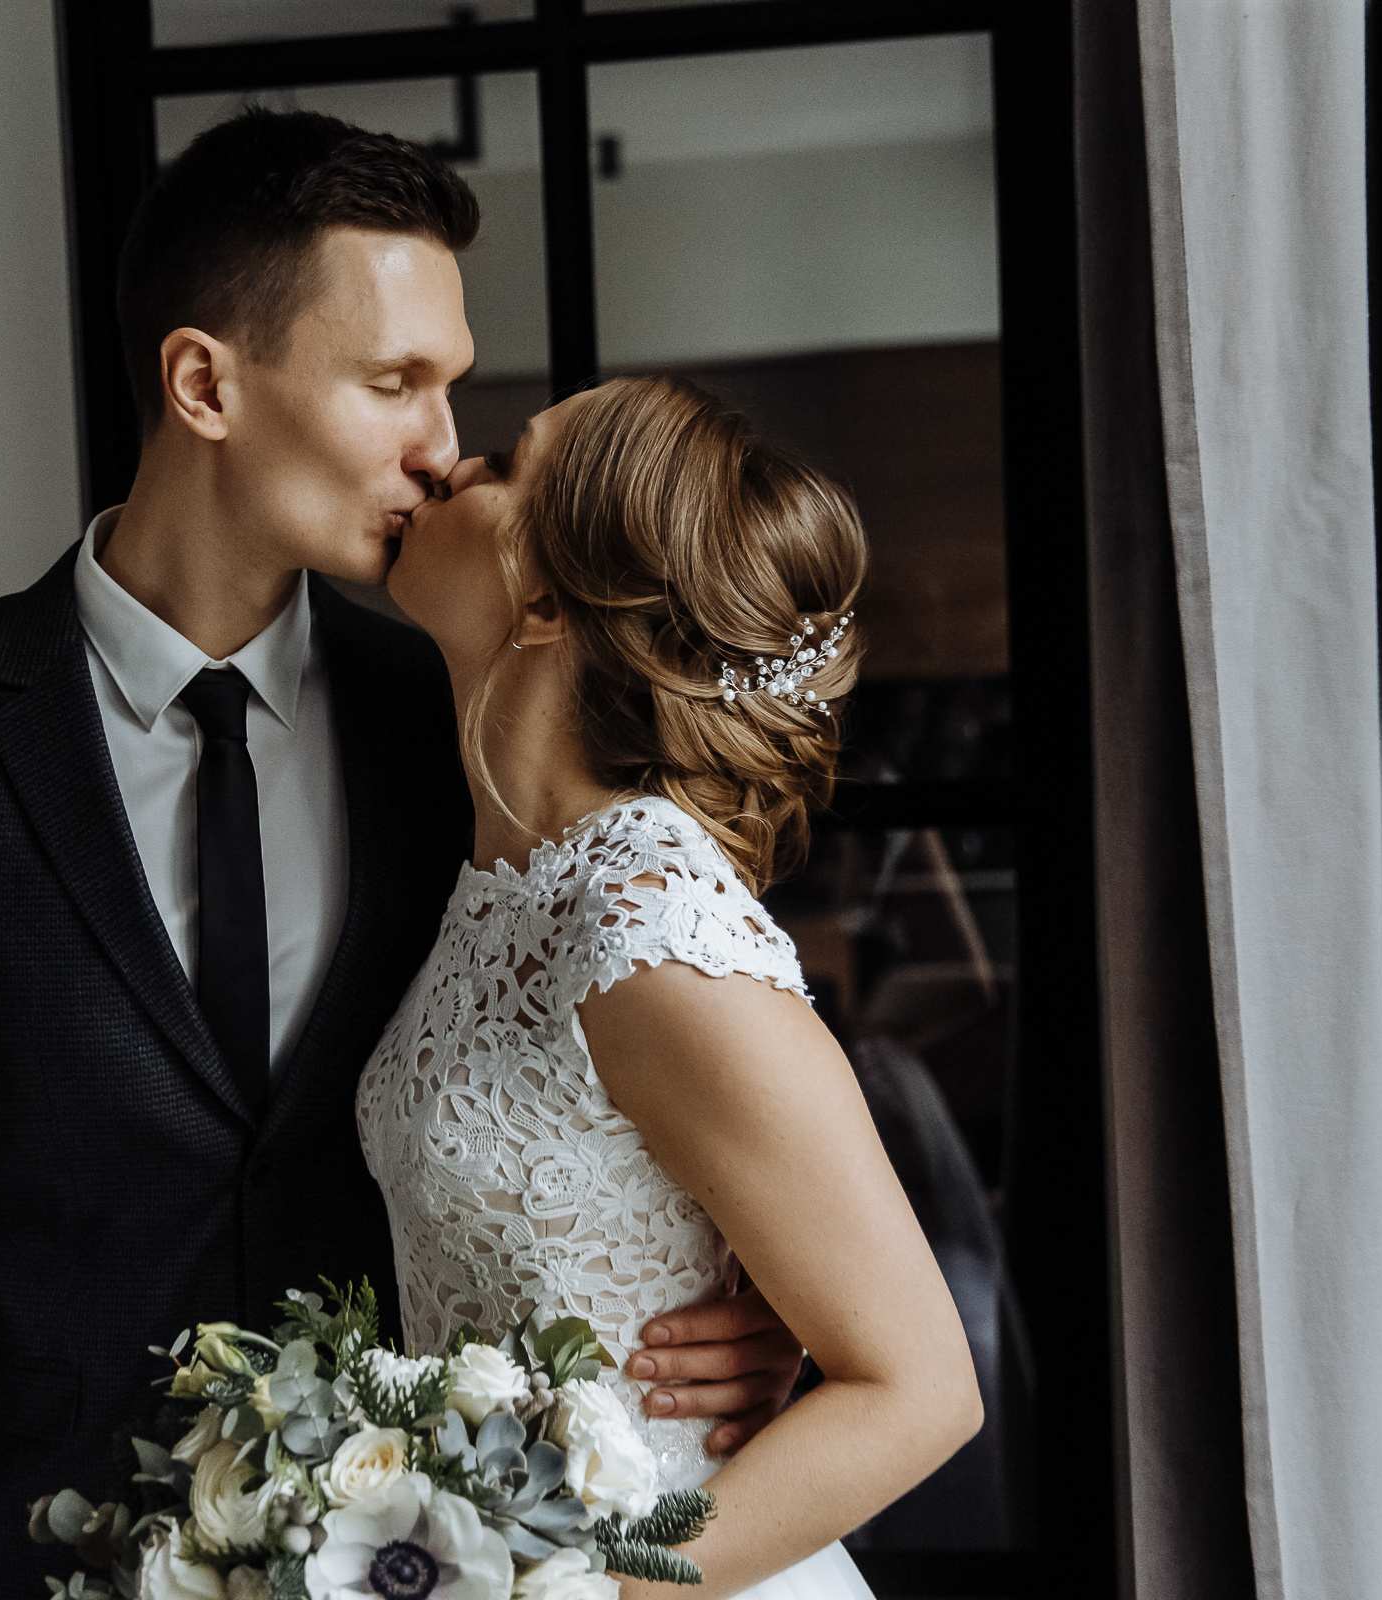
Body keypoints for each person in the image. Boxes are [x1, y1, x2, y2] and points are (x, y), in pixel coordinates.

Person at [0, 111, 802, 1600]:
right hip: (12, 1550)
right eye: (393, 382)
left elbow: (703, 1041)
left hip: (416, 1558)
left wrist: (753, 1305)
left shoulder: (470, 717)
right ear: (205, 383)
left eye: (452, 385)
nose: (442, 443)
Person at [361, 375, 985, 1599]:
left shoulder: (651, 928)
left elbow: (920, 1388)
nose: (449, 464)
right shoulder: (511, 891)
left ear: (542, 598)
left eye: (503, 459)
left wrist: (588, 1592)